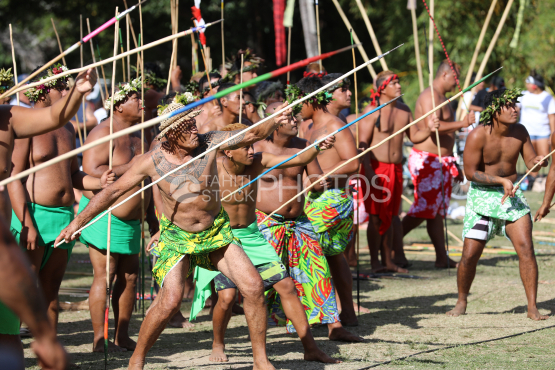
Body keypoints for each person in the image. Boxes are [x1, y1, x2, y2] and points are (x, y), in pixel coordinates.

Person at [55, 95, 293, 370]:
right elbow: (112, 191)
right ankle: (137, 359)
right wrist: (77, 222)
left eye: (194, 124)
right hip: (177, 237)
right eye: (187, 127)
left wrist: (275, 119)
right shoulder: (151, 161)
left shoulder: (209, 142)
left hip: (215, 232)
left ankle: (260, 361)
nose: (194, 131)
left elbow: (252, 133)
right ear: (171, 134)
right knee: (169, 301)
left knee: (252, 287)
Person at [191, 122, 339, 364]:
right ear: (228, 151)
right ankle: (218, 343)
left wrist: (317, 147)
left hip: (253, 239)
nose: (252, 151)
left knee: (286, 286)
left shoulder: (259, 162)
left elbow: (299, 158)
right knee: (227, 297)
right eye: (245, 147)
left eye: (252, 145)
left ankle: (310, 347)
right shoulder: (211, 168)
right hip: (222, 240)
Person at [0, 67, 97, 370]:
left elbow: (55, 116)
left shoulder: (9, 116)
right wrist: (26, 222)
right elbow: (15, 177)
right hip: (28, 220)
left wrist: (79, 92)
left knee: (16, 317)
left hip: (11, 227)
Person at [255, 101, 362, 341]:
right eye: (288, 117)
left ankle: (334, 326)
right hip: (268, 223)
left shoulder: (304, 146)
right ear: (272, 123)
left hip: (300, 221)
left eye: (295, 116)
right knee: (265, 280)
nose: (295, 120)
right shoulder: (256, 149)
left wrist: (318, 182)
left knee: (319, 271)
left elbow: (314, 179)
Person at [446, 88, 549, 321]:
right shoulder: (478, 135)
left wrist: (538, 162)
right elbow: (470, 173)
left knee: (526, 248)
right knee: (470, 255)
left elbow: (530, 159)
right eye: (509, 105)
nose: (515, 109)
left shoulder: (521, 131)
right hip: (482, 196)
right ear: (494, 110)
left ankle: (532, 307)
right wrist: (500, 180)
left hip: (511, 196)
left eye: (516, 104)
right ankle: (461, 300)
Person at [78, 77, 158, 352]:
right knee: (106, 274)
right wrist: (115, 172)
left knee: (131, 276)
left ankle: (121, 335)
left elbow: (147, 177)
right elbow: (89, 174)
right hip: (106, 214)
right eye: (134, 98)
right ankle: (99, 339)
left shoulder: (143, 133)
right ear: (118, 105)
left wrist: (151, 218)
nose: (141, 101)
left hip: (134, 218)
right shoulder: (103, 132)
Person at [293, 76, 360, 326]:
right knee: (333, 255)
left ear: (313, 100)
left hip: (331, 200)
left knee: (309, 253)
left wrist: (322, 178)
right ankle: (347, 314)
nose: (296, 106)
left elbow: (353, 163)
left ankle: (329, 317)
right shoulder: (308, 127)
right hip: (314, 199)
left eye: (300, 100)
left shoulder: (334, 125)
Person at [358, 71, 439, 272]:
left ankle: (388, 261)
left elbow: (414, 136)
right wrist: (368, 170)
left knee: (393, 216)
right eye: (393, 83)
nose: (399, 86)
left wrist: (428, 128)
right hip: (375, 169)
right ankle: (375, 262)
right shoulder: (371, 111)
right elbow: (363, 146)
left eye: (398, 82)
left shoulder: (404, 110)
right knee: (376, 217)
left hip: (395, 169)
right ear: (381, 88)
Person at [402, 60, 475, 268]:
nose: (457, 83)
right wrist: (463, 123)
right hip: (427, 160)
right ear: (444, 75)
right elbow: (433, 126)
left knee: (437, 212)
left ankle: (441, 258)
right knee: (423, 209)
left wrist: (452, 161)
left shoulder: (443, 96)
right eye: (456, 78)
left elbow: (446, 135)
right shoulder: (430, 96)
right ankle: (392, 244)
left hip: (441, 161)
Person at [518, 73, 555, 170]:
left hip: (543, 133)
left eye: (528, 83)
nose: (526, 85)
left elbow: (552, 117)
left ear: (535, 85)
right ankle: (530, 182)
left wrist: (552, 134)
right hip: (526, 133)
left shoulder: (547, 97)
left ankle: (539, 181)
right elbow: (516, 111)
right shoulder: (523, 95)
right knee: (531, 161)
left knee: (544, 160)